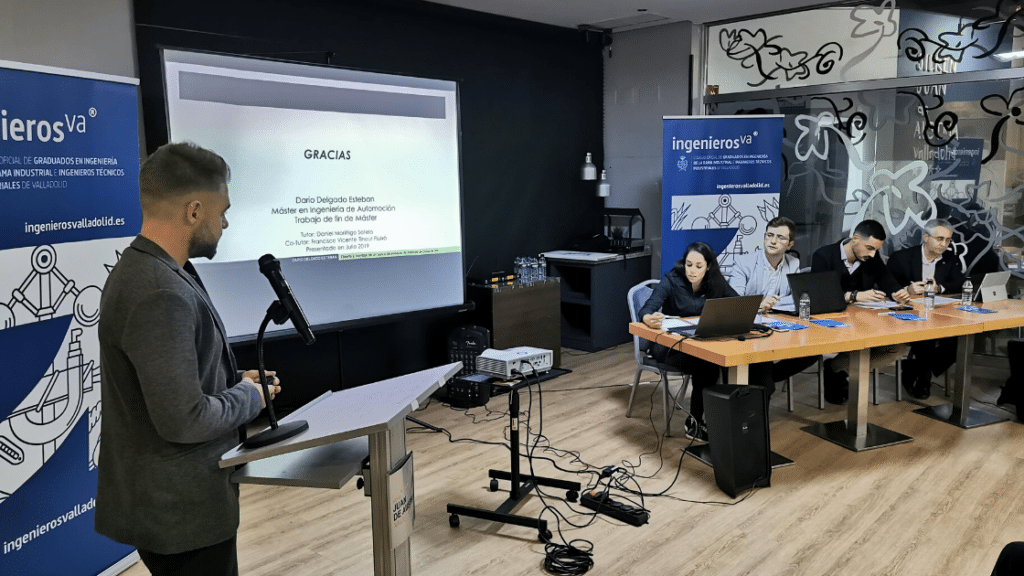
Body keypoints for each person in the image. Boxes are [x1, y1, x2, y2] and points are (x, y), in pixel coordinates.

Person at [96, 142, 280, 576]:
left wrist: (231, 380)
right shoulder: (159, 290)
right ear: (194, 211)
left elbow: (167, 385)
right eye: (222, 212)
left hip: (173, 509)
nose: (225, 223)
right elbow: (184, 420)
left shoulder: (152, 269)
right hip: (181, 516)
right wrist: (250, 397)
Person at [638, 242, 738, 440]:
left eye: (698, 266)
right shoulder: (672, 279)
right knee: (707, 365)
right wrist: (648, 318)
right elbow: (647, 308)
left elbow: (736, 304)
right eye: (689, 264)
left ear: (708, 267)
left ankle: (723, 420)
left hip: (700, 343)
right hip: (669, 347)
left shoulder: (715, 282)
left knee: (722, 362)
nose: (692, 270)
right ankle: (695, 423)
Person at [811, 219, 912, 404]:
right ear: (855, 239)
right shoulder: (823, 255)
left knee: (898, 348)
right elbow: (819, 295)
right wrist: (854, 296)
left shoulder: (871, 257)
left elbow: (887, 281)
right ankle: (839, 373)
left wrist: (898, 293)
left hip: (863, 321)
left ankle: (836, 369)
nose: (873, 254)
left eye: (876, 250)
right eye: (870, 248)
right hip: (832, 321)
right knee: (863, 347)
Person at [727, 216, 820, 392]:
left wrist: (775, 304)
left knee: (812, 352)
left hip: (777, 328)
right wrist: (759, 305)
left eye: (780, 237)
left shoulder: (793, 263)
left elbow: (795, 298)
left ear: (790, 244)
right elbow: (734, 303)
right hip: (748, 330)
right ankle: (761, 383)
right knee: (764, 379)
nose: (773, 241)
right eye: (770, 235)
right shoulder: (744, 263)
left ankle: (766, 379)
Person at [886, 218, 965, 399]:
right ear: (926, 237)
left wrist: (939, 288)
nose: (944, 244)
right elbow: (885, 285)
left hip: (938, 314)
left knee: (959, 340)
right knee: (926, 337)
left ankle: (913, 368)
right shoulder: (901, 257)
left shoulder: (949, 259)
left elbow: (960, 283)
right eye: (939, 238)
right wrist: (907, 289)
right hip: (908, 314)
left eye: (947, 240)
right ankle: (923, 379)